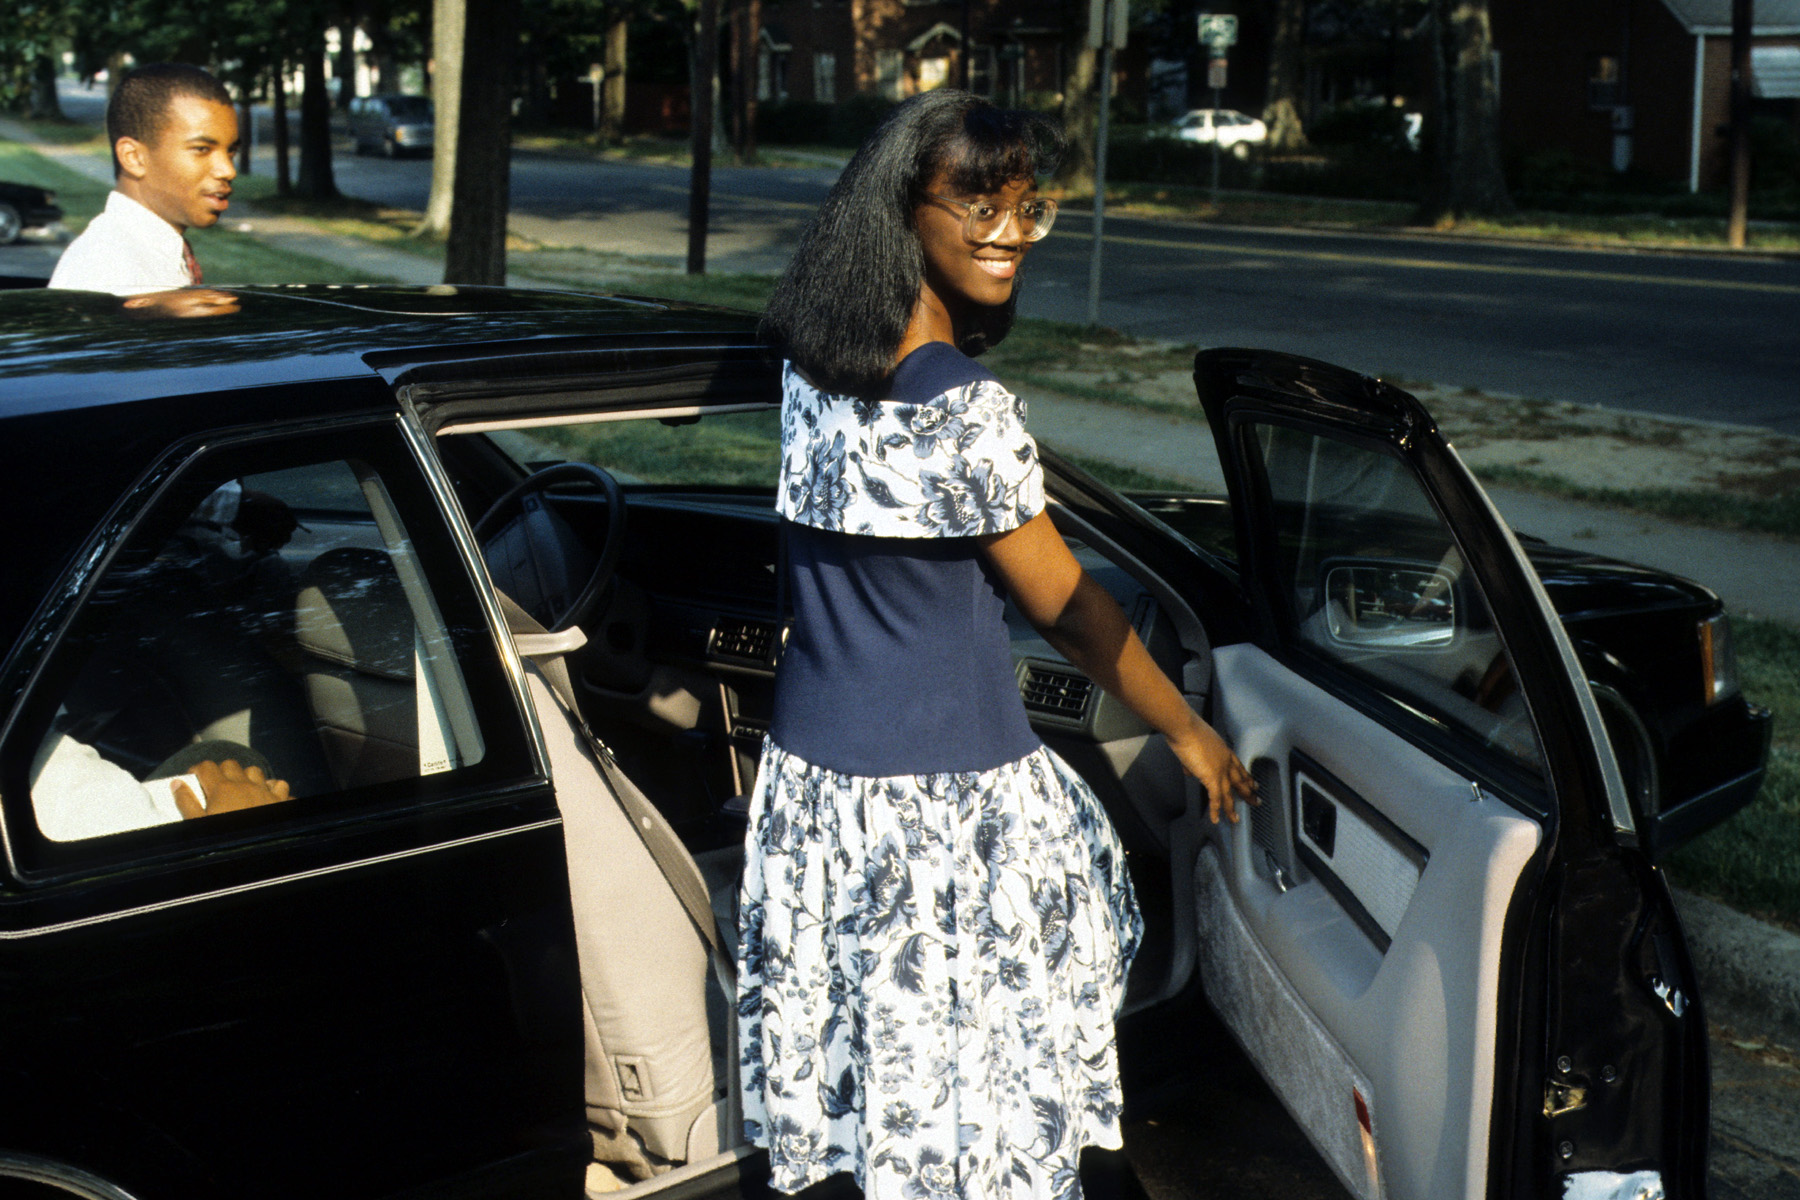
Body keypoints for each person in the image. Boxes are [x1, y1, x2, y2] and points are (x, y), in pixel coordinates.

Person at [738, 89, 1257, 1200]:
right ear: (903, 210)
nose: (1012, 231)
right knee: (977, 1116)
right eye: (980, 205)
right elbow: (1070, 611)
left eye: (1028, 206)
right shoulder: (962, 409)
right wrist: (1189, 733)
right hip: (941, 820)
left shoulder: (809, 372)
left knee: (876, 1087)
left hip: (815, 797)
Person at [49, 63, 238, 295]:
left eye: (231, 151)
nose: (228, 170)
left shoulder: (147, 253)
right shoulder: (112, 273)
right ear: (134, 158)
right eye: (202, 149)